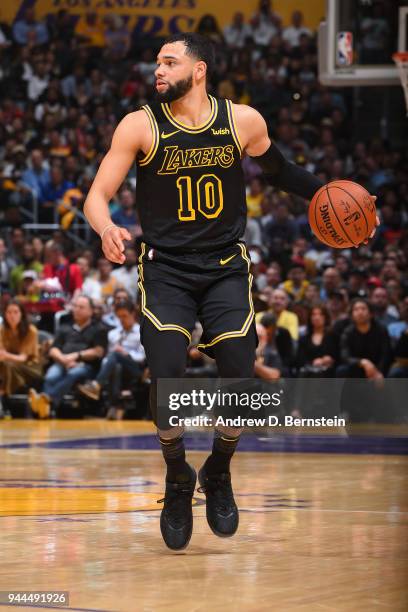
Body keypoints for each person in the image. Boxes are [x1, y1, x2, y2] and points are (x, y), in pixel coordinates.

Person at [83, 33, 378, 550]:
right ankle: (178, 476)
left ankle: (217, 471)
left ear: (199, 70)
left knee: (239, 376)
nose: (158, 70)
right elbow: (97, 195)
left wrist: (342, 195)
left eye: (169, 62)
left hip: (224, 266)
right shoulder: (139, 125)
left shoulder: (243, 121)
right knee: (169, 373)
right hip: (167, 268)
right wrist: (106, 227)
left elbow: (282, 172)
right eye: (156, 62)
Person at [28, 295, 107, 418]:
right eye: (75, 306)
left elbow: (98, 351)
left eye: (81, 307)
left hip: (86, 366)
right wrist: (64, 360)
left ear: (91, 311)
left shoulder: (99, 328)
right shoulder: (65, 327)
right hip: (62, 362)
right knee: (50, 376)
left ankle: (46, 401)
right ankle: (46, 409)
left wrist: (75, 356)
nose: (77, 309)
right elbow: (53, 349)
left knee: (73, 373)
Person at [78, 300, 146, 419]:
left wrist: (127, 354)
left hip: (135, 369)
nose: (122, 319)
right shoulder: (113, 334)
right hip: (116, 368)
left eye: (125, 316)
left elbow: (141, 357)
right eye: (119, 317)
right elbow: (107, 359)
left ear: (133, 315)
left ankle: (96, 385)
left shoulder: (141, 332)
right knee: (115, 364)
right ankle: (115, 405)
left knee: (116, 355)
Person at [0, 300, 42, 419]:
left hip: (30, 367)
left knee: (7, 366)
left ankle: (2, 401)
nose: (12, 316)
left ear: (22, 314)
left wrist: (6, 356)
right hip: (9, 365)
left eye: (15, 312)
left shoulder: (31, 330)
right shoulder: (2, 329)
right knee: (5, 366)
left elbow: (23, 358)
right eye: (9, 312)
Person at [336, 298, 391, 379]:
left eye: (363, 309)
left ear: (371, 313)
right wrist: (363, 362)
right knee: (341, 370)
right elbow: (345, 356)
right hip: (358, 367)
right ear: (352, 315)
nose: (360, 312)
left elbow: (386, 354)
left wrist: (379, 371)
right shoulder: (347, 332)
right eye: (356, 309)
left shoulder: (381, 330)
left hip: (378, 367)